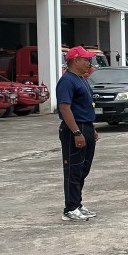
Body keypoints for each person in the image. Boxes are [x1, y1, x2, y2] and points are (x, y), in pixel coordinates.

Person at [56, 46, 100, 222]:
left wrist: (91, 128)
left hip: (85, 126)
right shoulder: (67, 81)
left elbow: (84, 107)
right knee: (73, 170)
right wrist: (76, 132)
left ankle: (77, 204)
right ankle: (70, 208)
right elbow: (64, 108)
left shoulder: (81, 79)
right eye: (86, 59)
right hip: (73, 129)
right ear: (75, 60)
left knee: (83, 169)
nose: (89, 63)